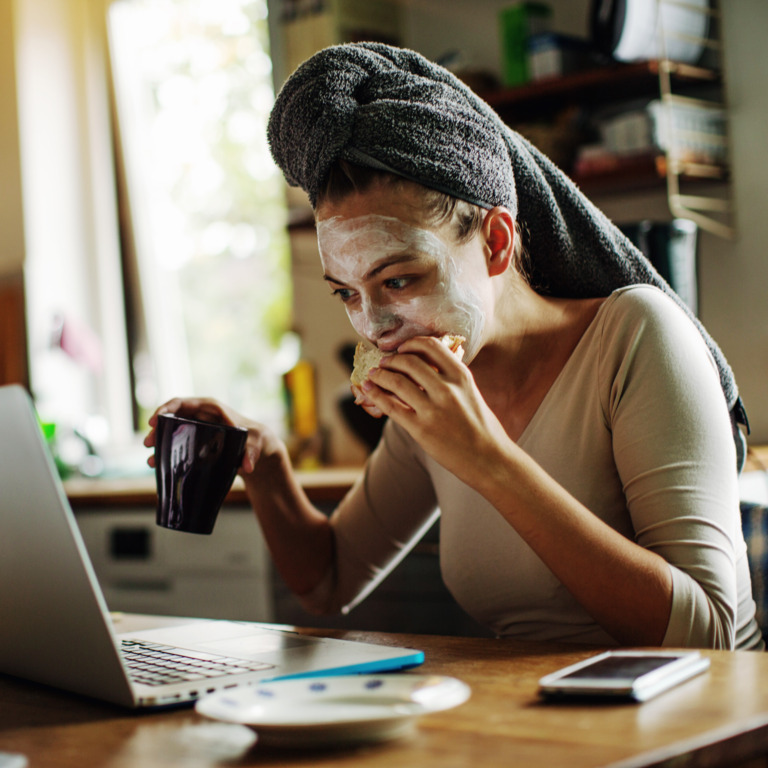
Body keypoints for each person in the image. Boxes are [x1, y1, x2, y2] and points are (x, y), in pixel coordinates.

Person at [145, 43, 762, 650]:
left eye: (399, 280)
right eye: (347, 294)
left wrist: (487, 459)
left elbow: (707, 635)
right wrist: (268, 465)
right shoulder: (432, 395)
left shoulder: (636, 336)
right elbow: (330, 581)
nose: (375, 327)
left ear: (495, 242)